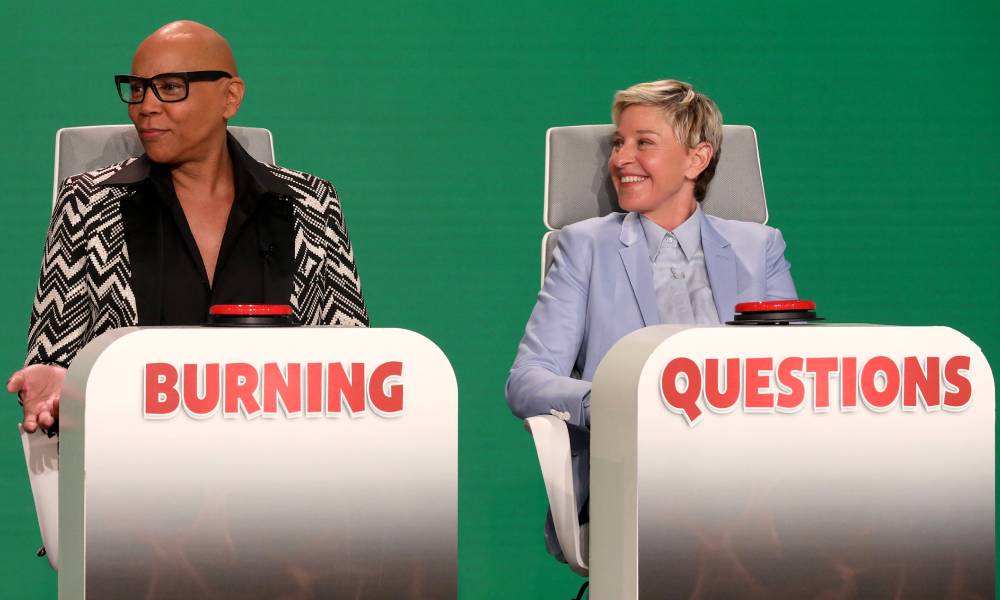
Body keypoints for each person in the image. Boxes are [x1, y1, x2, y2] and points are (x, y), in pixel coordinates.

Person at [9, 21, 368, 433]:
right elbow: (54, 361)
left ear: (229, 98)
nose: (146, 105)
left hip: (280, 471)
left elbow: (354, 366)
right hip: (133, 469)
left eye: (171, 86)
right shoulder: (88, 203)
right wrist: (58, 390)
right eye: (138, 88)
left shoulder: (311, 203)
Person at [505, 79, 797, 559]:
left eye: (644, 143)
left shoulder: (759, 248)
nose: (620, 159)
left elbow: (792, 372)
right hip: (633, 474)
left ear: (696, 159)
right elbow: (527, 381)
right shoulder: (585, 247)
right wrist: (612, 403)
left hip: (746, 473)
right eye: (619, 142)